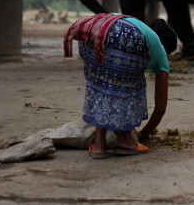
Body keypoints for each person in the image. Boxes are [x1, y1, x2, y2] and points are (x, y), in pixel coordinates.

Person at [64, 13, 177, 159]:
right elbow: (160, 108)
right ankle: (125, 140)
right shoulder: (159, 51)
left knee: (102, 85)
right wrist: (145, 133)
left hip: (93, 33)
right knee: (130, 84)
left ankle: (99, 146)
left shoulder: (140, 27)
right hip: (124, 36)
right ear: (166, 48)